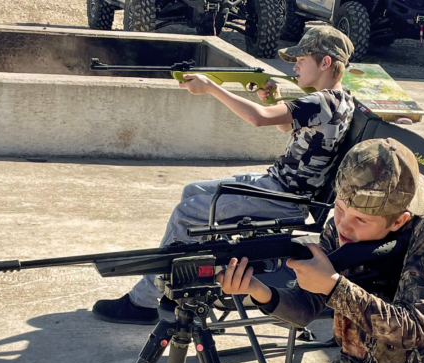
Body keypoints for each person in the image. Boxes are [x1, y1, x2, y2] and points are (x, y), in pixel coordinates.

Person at [92, 25, 356, 325]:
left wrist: (211, 88)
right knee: (193, 192)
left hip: (283, 197)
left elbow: (258, 119)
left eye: (303, 59)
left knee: (186, 215)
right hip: (279, 188)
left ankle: (144, 302)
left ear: (325, 63)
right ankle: (177, 283)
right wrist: (272, 99)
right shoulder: (340, 100)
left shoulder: (320, 101)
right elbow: (284, 124)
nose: (294, 65)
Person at [217, 138, 424, 363]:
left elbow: (410, 329)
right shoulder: (338, 230)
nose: (343, 225)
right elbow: (305, 307)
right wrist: (257, 289)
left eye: (361, 219)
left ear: (399, 220)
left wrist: (333, 287)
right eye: (340, 209)